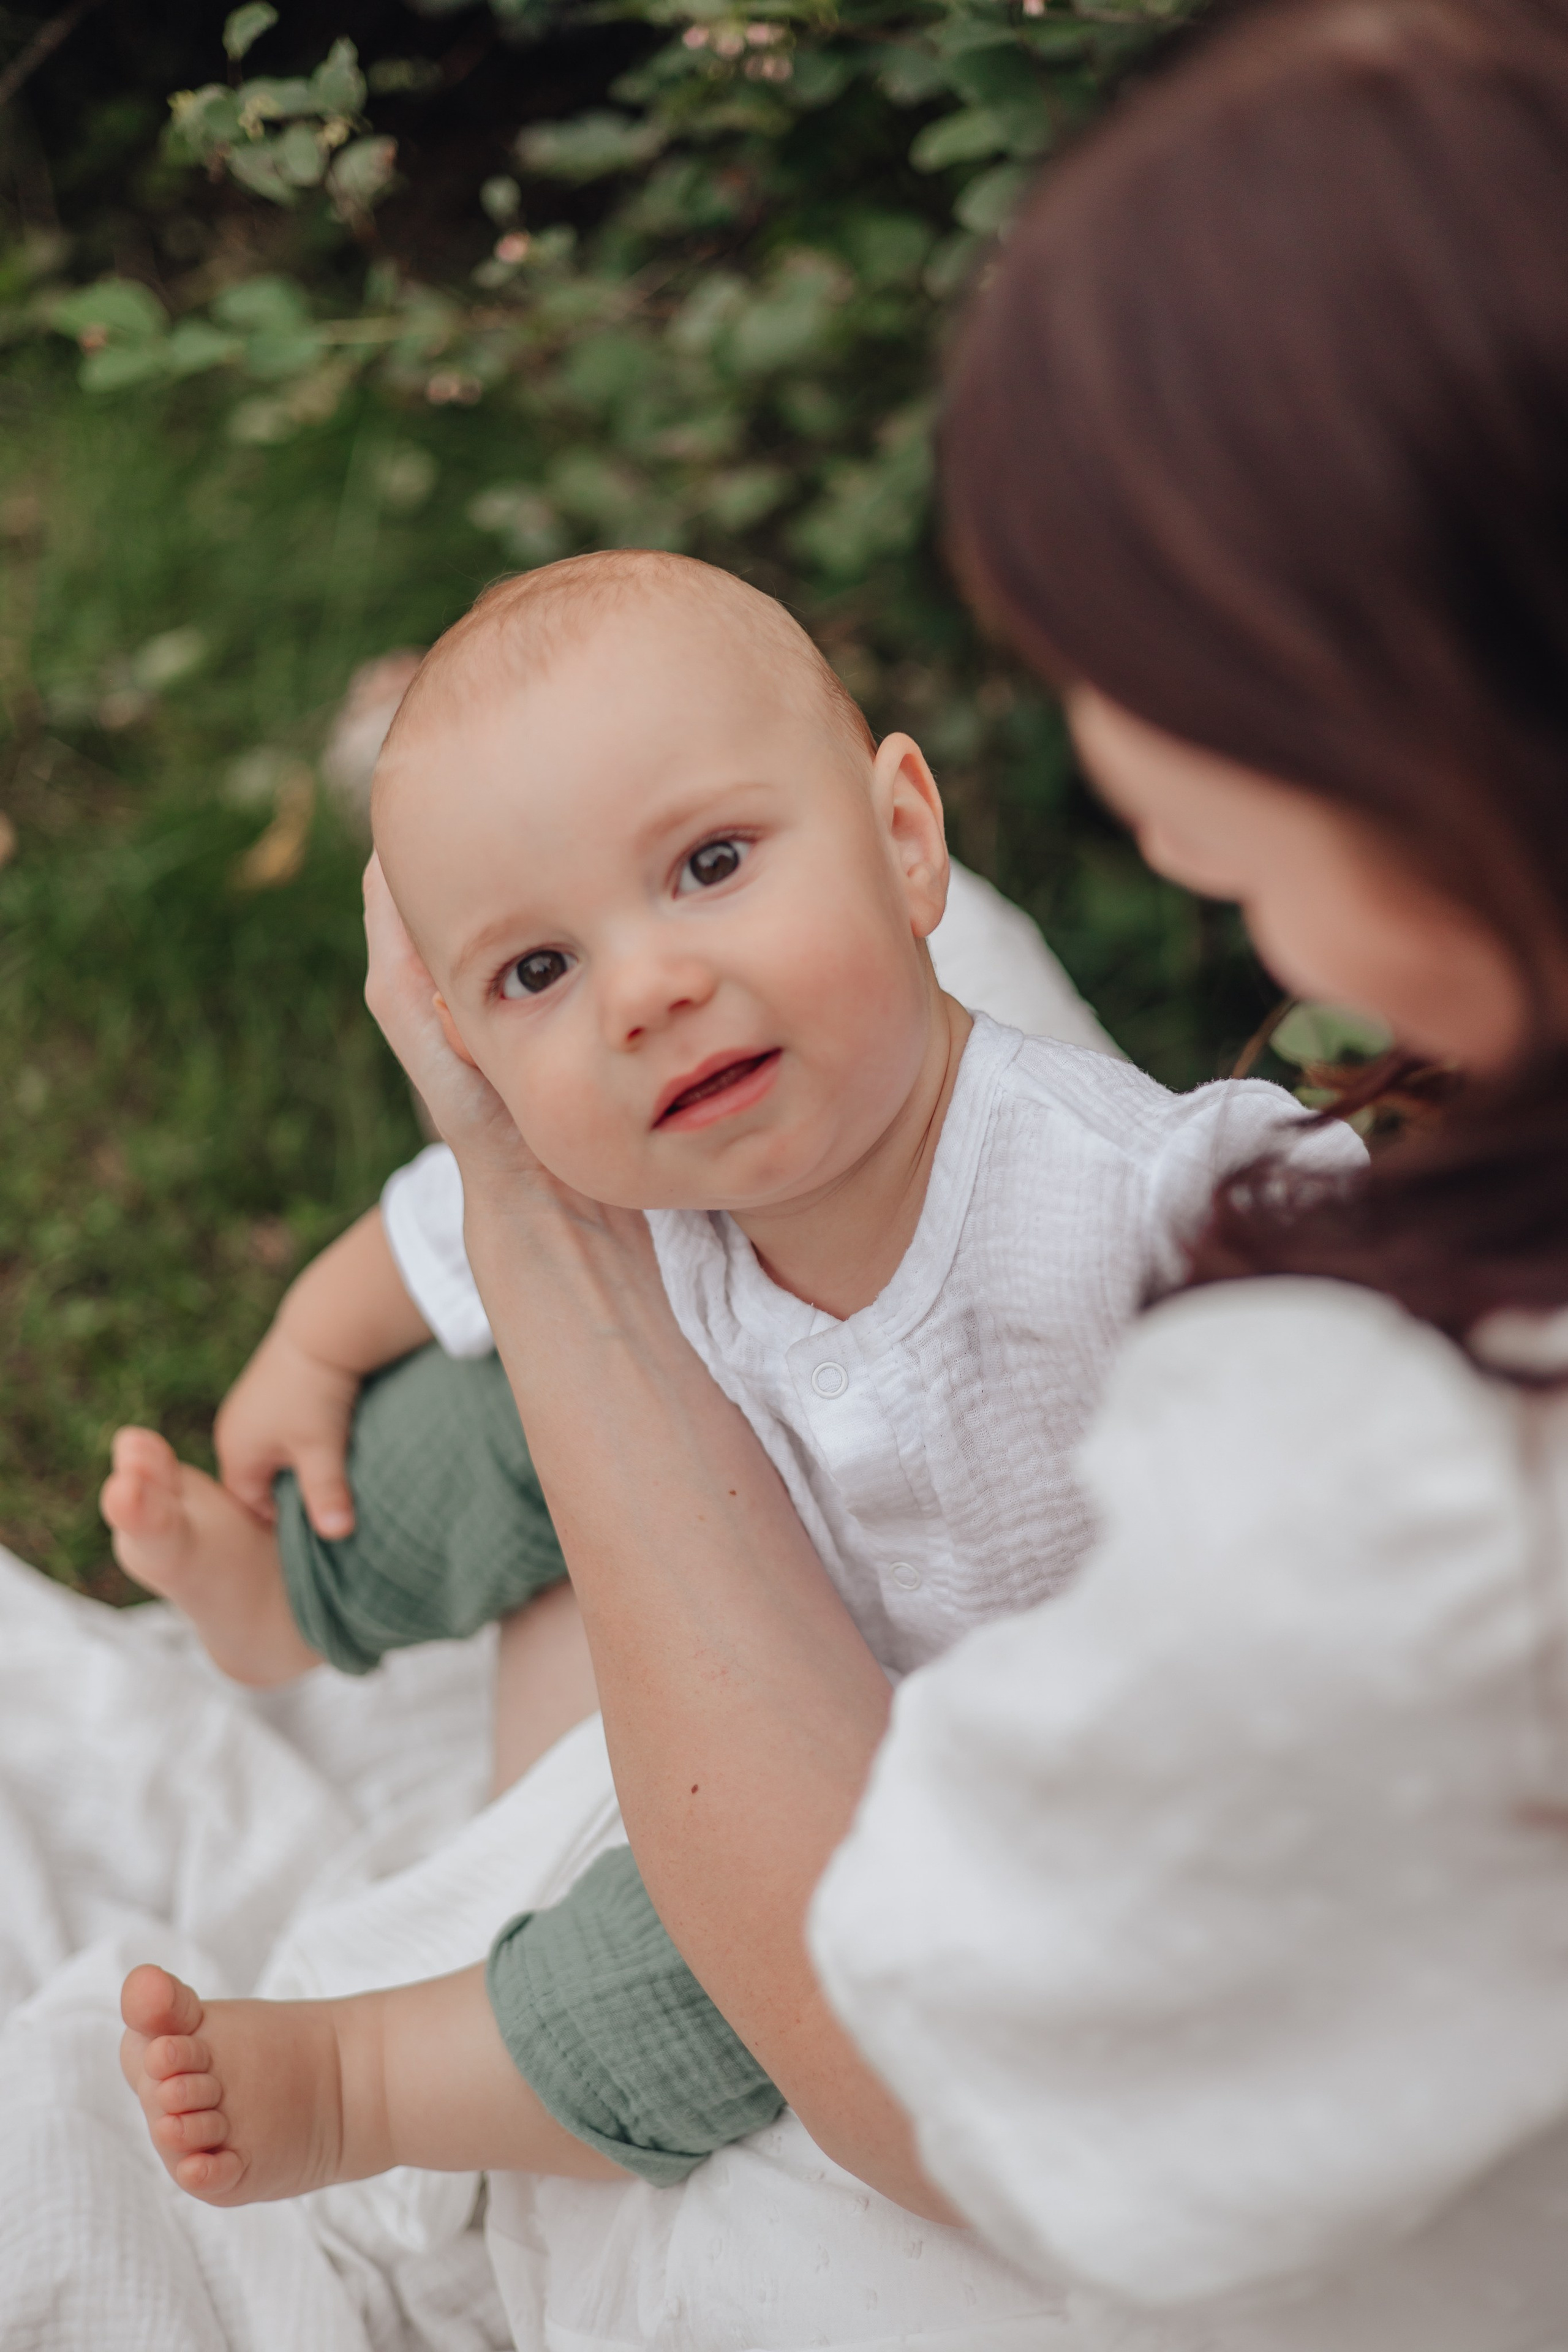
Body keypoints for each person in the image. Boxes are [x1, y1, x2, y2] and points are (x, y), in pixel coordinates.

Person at [107, 545, 1351, 2203]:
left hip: (980, 1796)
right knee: (489, 1408)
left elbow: (1338, 1268)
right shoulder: (647, 1197)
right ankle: (295, 1587)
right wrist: (310, 1348)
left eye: (709, 865)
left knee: (701, 1958)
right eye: (538, 972)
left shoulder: (1128, 1198)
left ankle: (369, 2082)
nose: (646, 991)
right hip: (794, 1598)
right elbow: (441, 1227)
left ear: (905, 842)